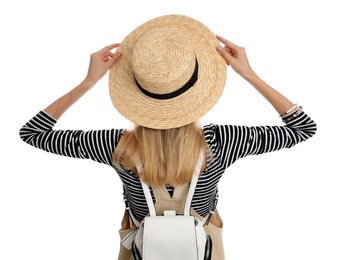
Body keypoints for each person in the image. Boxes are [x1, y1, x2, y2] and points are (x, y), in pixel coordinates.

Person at [19, 15, 316, 260]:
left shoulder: (116, 146)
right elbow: (302, 127)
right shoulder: (222, 142)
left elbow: (33, 132)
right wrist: (250, 74)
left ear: (137, 91)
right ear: (199, 91)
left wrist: (89, 82)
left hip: (141, 252)